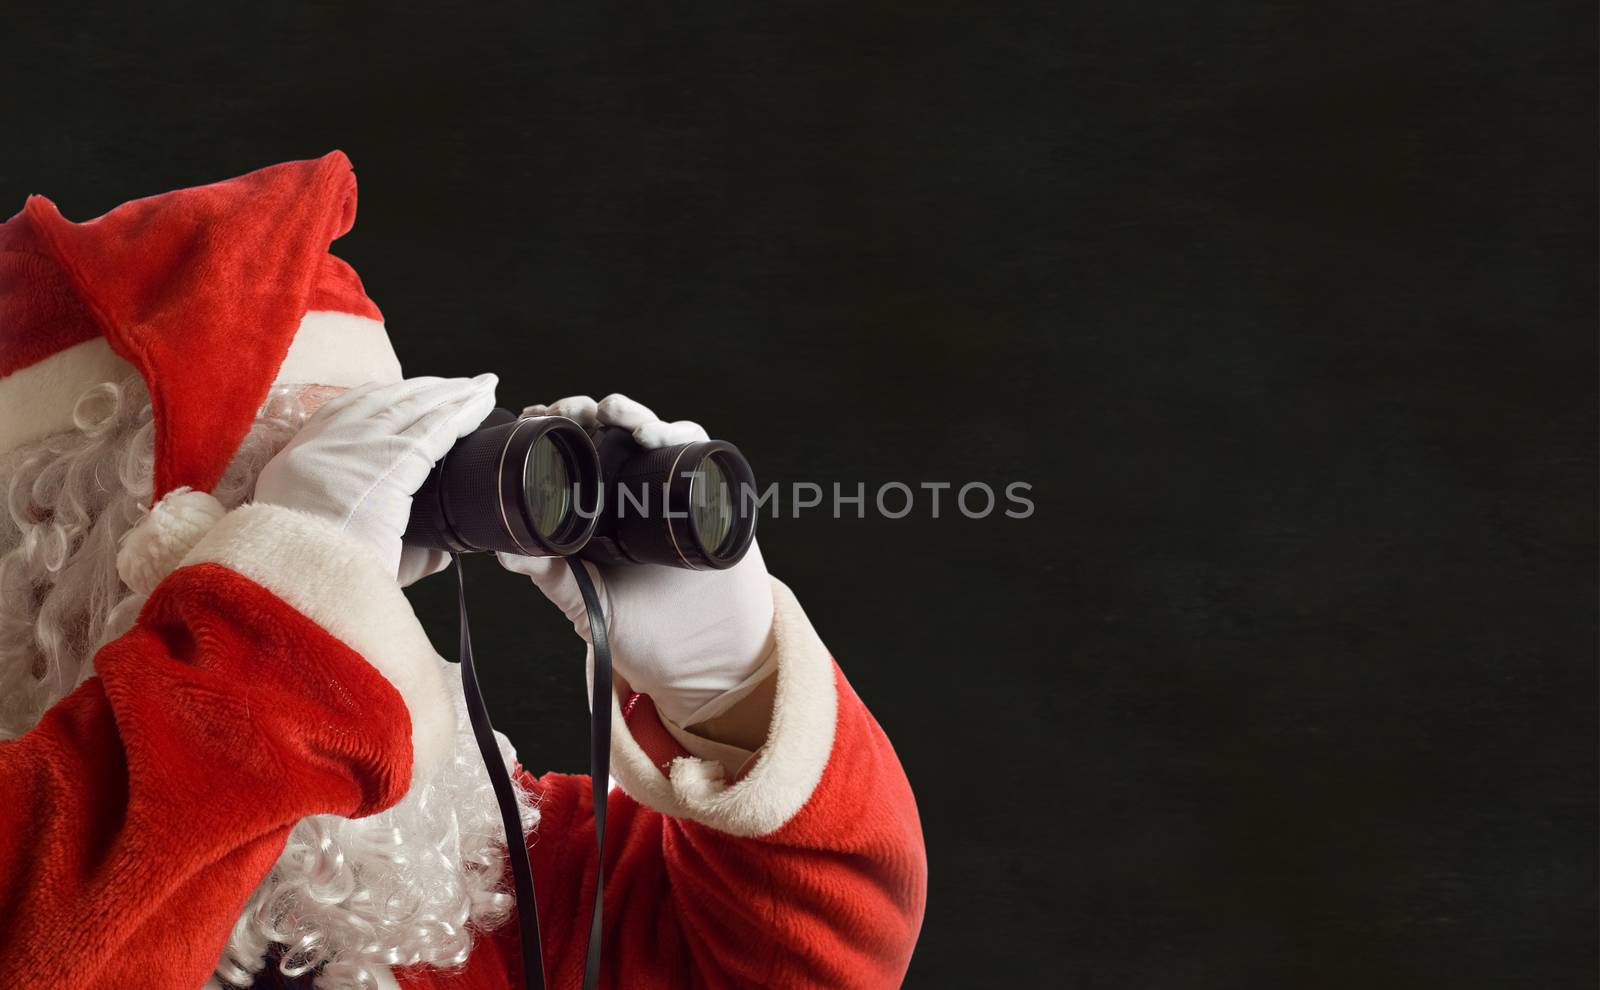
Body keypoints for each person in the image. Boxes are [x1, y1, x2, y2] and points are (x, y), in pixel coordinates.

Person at [0, 153, 926, 989]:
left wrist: (731, 689)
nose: (355, 582)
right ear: (62, 554)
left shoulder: (456, 880)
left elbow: (788, 966)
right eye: (265, 509)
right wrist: (272, 637)